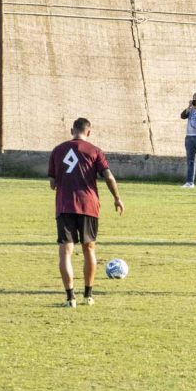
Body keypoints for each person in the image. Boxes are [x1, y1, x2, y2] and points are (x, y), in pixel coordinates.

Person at [48, 118, 124, 307]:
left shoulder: (58, 150)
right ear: (88, 132)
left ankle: (69, 298)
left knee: (65, 252)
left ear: (72, 130)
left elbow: (52, 184)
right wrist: (117, 198)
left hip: (65, 205)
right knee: (89, 248)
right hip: (89, 205)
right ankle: (88, 296)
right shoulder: (95, 151)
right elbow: (108, 176)